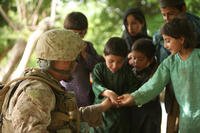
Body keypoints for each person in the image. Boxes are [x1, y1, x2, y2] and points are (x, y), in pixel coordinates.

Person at [1, 29, 112, 133]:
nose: (75, 63)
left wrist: (101, 107)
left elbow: (66, 116)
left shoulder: (48, 84)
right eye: (69, 58)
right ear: (51, 62)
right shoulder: (39, 91)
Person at [118, 18, 200, 133]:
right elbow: (152, 86)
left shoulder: (198, 56)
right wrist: (133, 97)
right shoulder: (169, 63)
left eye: (168, 40)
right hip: (187, 121)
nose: (165, 46)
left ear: (181, 39)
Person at [153, 0, 200, 132]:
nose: (167, 18)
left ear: (183, 9)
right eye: (163, 15)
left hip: (194, 88)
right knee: (171, 125)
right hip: (173, 86)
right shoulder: (159, 35)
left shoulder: (197, 26)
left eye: (171, 14)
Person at [90, 37, 138, 133]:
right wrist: (107, 92)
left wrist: (126, 98)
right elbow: (96, 84)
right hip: (101, 114)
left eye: (120, 62)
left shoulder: (128, 72)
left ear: (125, 59)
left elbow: (134, 88)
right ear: (104, 56)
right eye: (111, 61)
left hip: (121, 117)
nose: (115, 65)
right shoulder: (99, 68)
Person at [61, 11, 103, 108]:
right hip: (64, 93)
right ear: (65, 31)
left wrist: (85, 54)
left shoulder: (88, 47)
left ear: (85, 32)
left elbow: (97, 69)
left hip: (84, 96)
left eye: (80, 33)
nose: (76, 37)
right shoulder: (60, 46)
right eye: (73, 33)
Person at [127, 38, 161, 133]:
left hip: (150, 115)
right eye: (133, 58)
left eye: (140, 59)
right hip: (134, 115)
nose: (136, 62)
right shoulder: (130, 72)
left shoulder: (156, 74)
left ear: (150, 60)